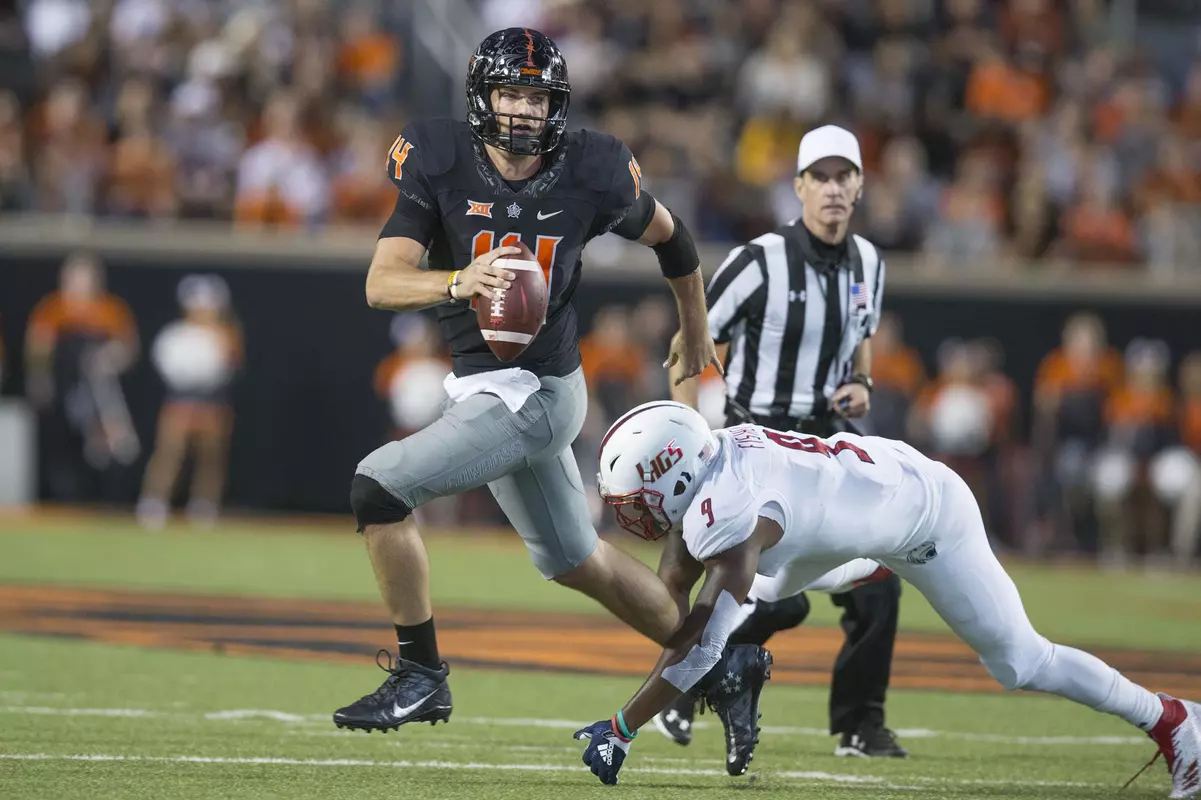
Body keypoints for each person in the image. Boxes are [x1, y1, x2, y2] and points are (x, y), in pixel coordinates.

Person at [332, 28, 726, 737]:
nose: (521, 110)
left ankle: (421, 675)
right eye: (509, 93)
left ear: (556, 106)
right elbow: (381, 282)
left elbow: (672, 238)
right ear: (481, 98)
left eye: (536, 97)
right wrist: (456, 280)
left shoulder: (591, 168)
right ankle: (723, 663)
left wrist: (693, 328)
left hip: (539, 391)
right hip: (486, 386)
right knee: (579, 561)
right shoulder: (439, 157)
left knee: (378, 488)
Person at [573, 401, 1201, 799]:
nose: (630, 513)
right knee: (766, 586)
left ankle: (1173, 721)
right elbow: (674, 595)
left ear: (679, 475)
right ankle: (851, 578)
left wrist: (622, 728)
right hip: (865, 496)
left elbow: (698, 642)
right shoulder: (716, 459)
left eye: (634, 499)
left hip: (926, 519)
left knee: (1021, 662)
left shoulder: (732, 511)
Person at [663, 124, 906, 758]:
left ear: (860, 186)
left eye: (844, 176)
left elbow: (862, 335)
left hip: (828, 444)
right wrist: (691, 436)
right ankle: (686, 683)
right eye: (820, 176)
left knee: (880, 581)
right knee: (776, 597)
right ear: (799, 187)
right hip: (761, 444)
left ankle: (860, 724)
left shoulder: (869, 262)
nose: (833, 188)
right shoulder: (759, 261)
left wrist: (861, 381)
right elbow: (687, 346)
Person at [25, 253, 140, 502]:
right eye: (75, 277)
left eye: (86, 277)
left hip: (101, 392)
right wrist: (40, 379)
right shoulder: (53, 309)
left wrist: (110, 358)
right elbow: (39, 347)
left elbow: (129, 348)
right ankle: (63, 501)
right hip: (64, 389)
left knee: (110, 448)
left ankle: (104, 502)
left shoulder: (110, 309)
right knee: (63, 450)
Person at [137, 275, 242, 529]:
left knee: (211, 456)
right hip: (180, 401)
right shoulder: (174, 335)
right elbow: (166, 365)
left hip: (212, 402)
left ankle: (205, 505)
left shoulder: (225, 335)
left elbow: (231, 363)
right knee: (169, 452)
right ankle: (154, 502)